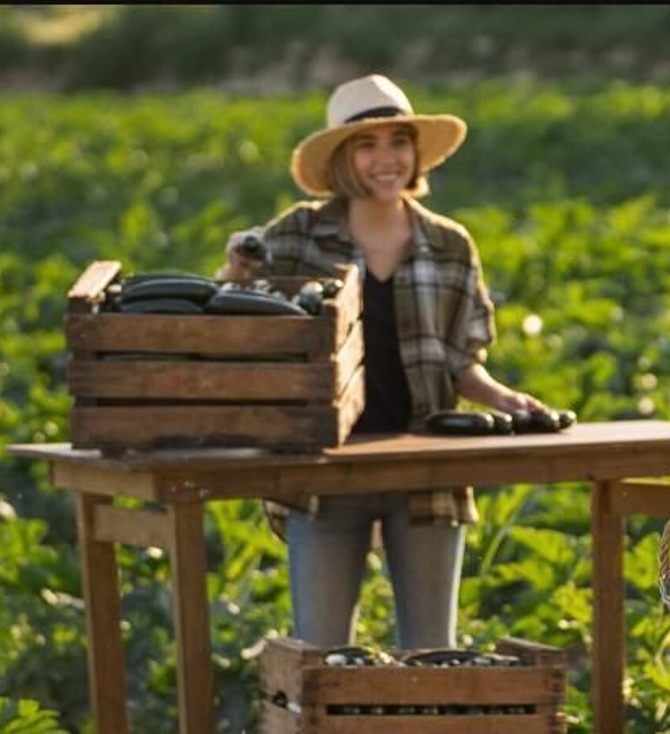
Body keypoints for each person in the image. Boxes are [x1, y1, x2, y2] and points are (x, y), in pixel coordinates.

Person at [219, 73, 549, 650]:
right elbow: (237, 317)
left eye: (398, 142)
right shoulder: (298, 233)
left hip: (424, 471)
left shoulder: (450, 244)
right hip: (323, 472)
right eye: (367, 146)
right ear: (344, 159)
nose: (386, 159)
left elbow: (458, 362)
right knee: (319, 658)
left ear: (415, 152)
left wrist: (500, 397)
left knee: (432, 656)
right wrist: (234, 273)